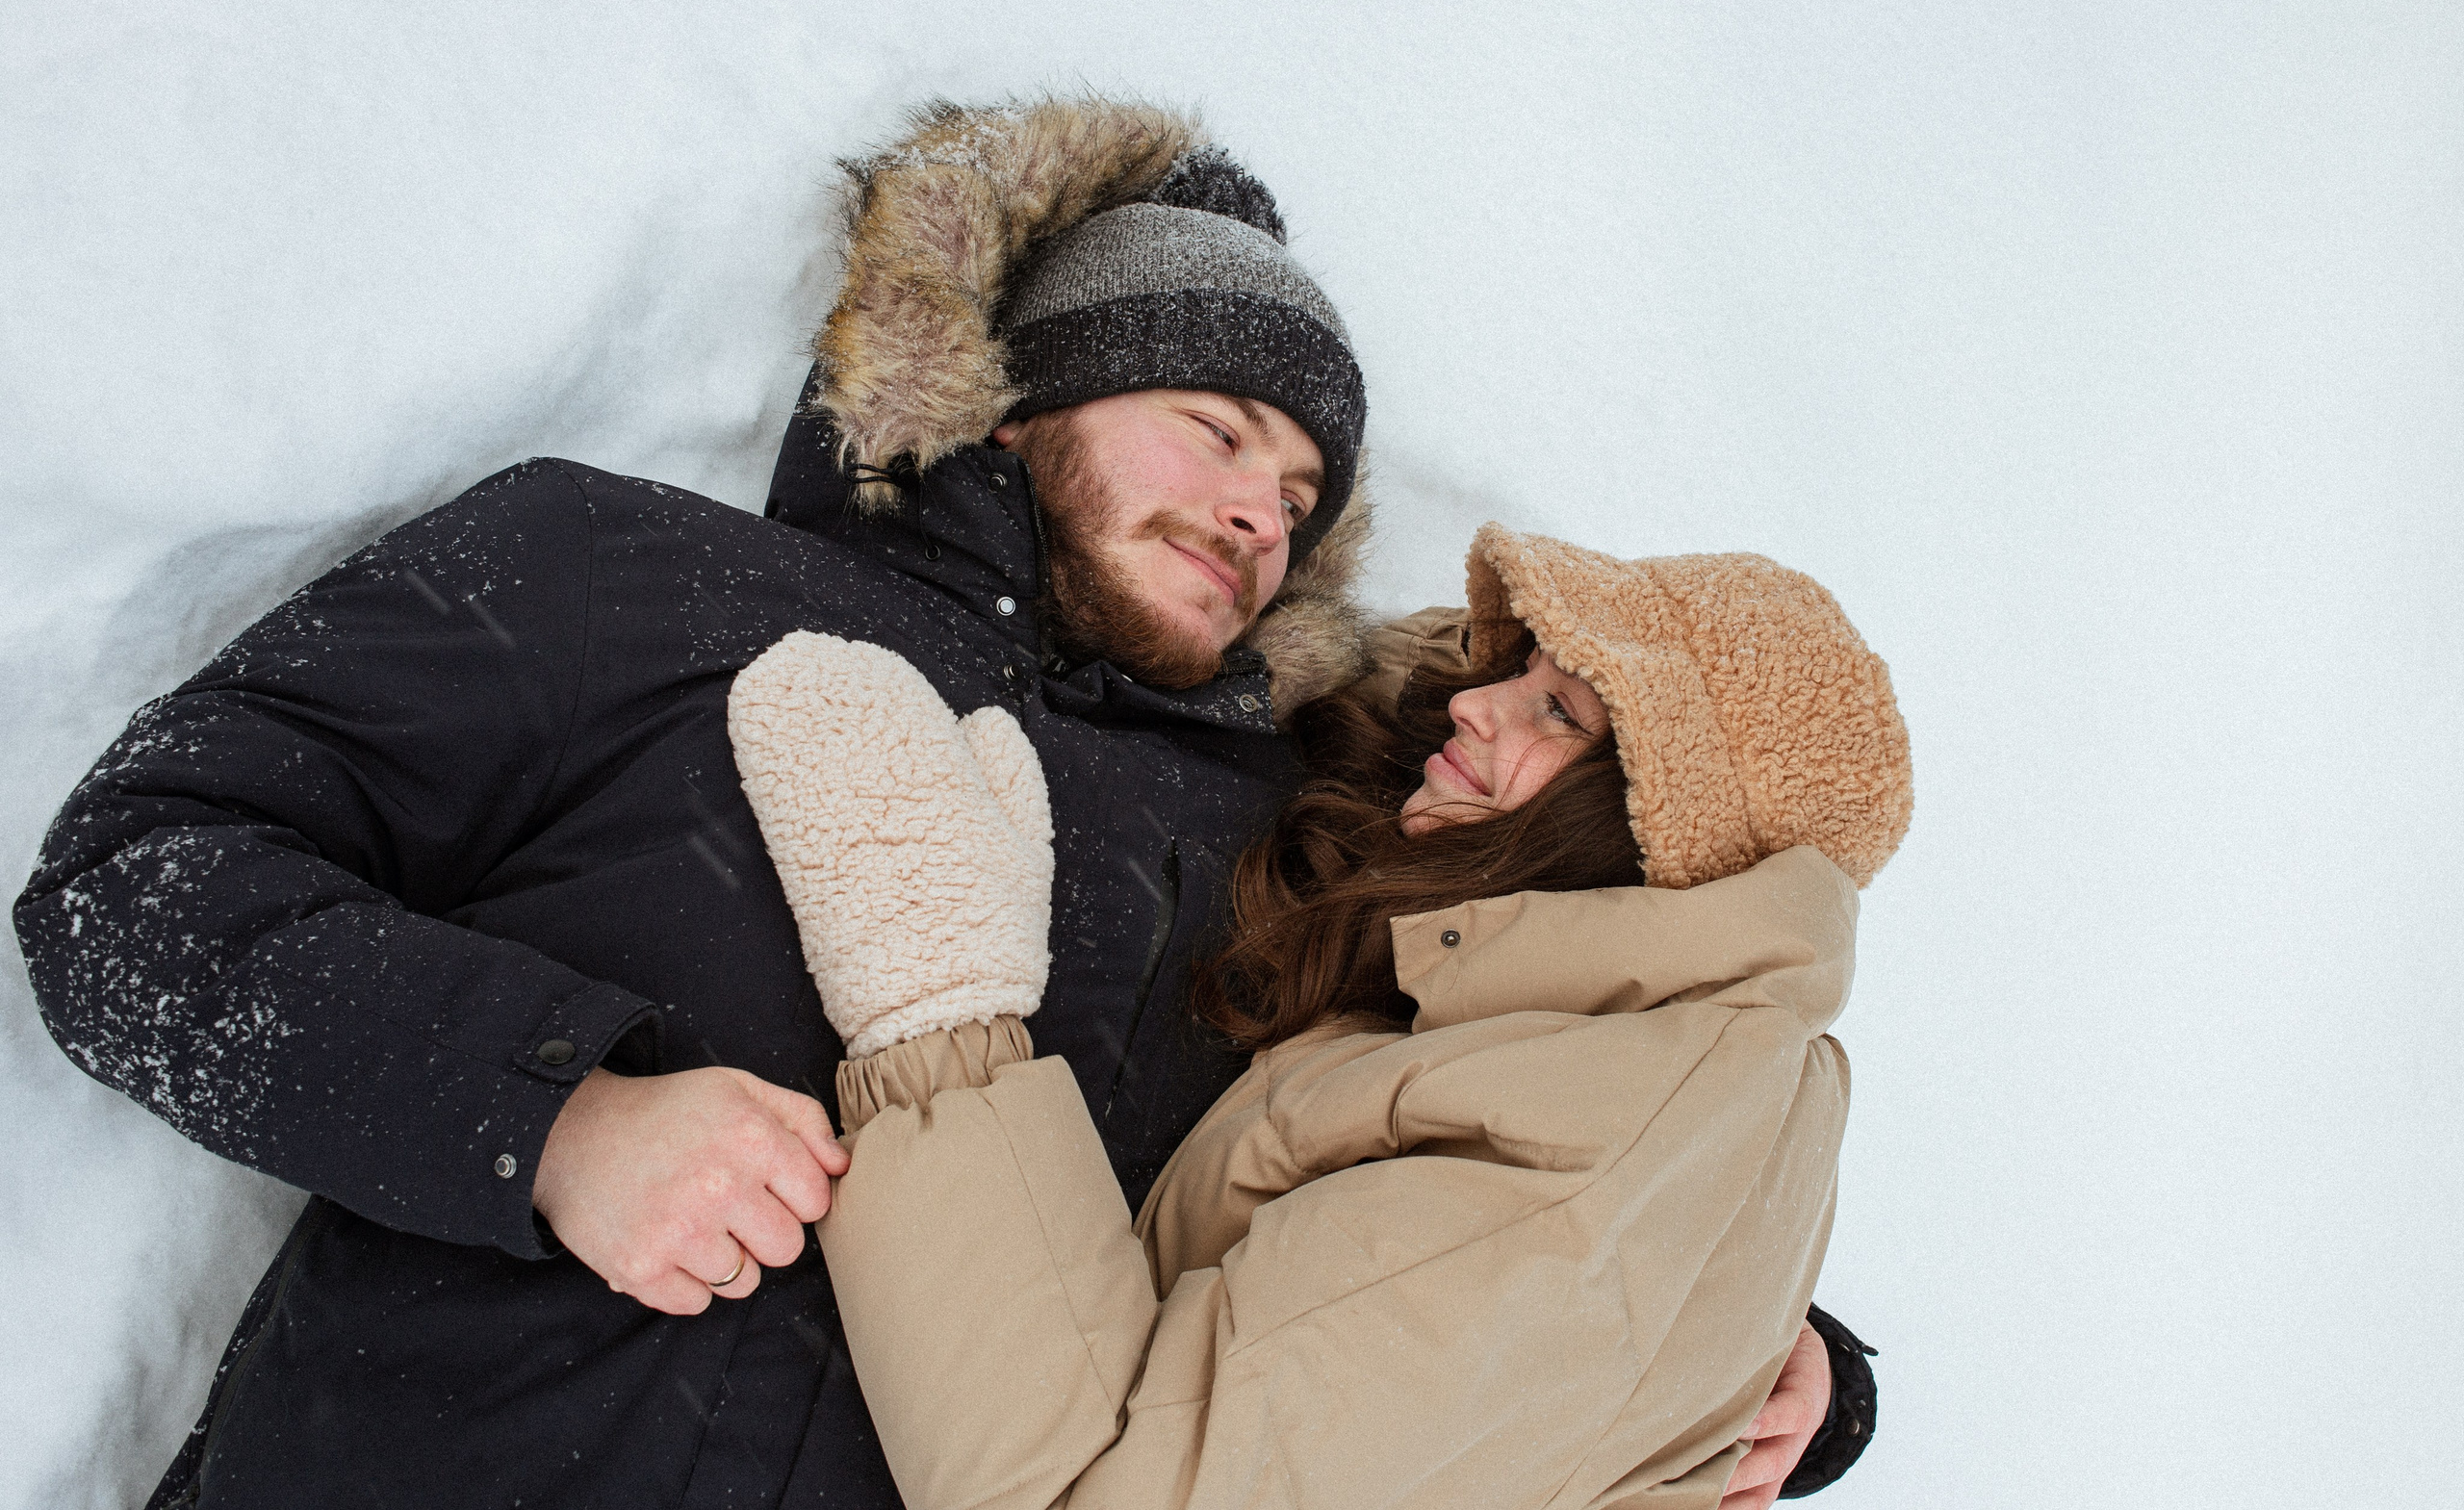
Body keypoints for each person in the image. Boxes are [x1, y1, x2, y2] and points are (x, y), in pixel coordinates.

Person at [13, 97, 1866, 1507]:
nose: (1258, 510)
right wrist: (551, 1115)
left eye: (1302, 489)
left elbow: (1533, 1085)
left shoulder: (1293, 823)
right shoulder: (617, 573)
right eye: (1215, 428)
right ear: (1012, 407)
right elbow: (131, 883)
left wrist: (1775, 1344)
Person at [727, 525, 1912, 1509]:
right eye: (1519, 665)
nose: (1480, 706)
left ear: (1664, 840)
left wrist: (933, 1000)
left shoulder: (1580, 1164)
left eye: (1557, 709)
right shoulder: (1597, 1024)